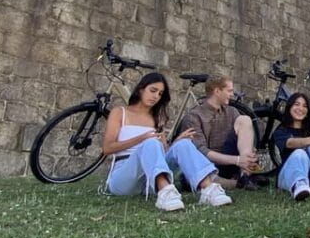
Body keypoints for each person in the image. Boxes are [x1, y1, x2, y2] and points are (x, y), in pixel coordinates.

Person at [102, 72, 232, 211]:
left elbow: (162, 154)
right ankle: (165, 193)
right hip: (123, 177)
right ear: (141, 89)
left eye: (160, 93)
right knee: (151, 143)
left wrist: (176, 142)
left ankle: (208, 190)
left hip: (150, 179)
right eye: (153, 91)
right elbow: (107, 148)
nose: (156, 96)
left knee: (184, 144)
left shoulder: (156, 118)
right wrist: (142, 139)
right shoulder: (120, 112)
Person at [178, 75, 268, 190]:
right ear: (217, 91)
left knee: (245, 119)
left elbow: (243, 137)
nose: (232, 94)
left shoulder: (232, 111)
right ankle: (235, 183)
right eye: (229, 90)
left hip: (231, 163)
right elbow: (202, 152)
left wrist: (248, 153)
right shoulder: (193, 117)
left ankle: (245, 175)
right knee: (191, 176)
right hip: (207, 165)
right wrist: (238, 160)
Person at [271, 92, 310, 200]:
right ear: (289, 107)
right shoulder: (281, 130)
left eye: (305, 106)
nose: (300, 108)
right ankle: (299, 185)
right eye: (296, 104)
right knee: (300, 153)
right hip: (288, 174)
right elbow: (289, 143)